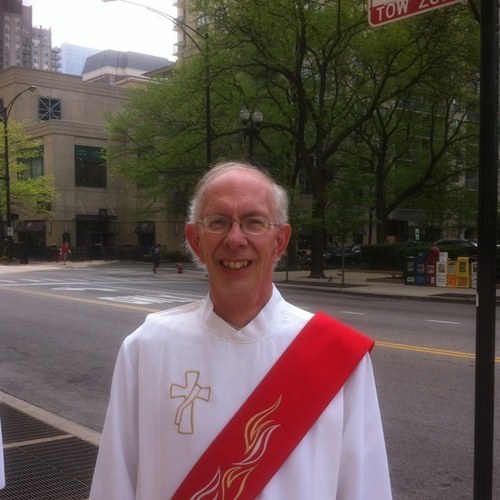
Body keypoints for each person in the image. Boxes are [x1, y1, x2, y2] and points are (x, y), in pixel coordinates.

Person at [90, 161, 392, 499]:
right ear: (196, 239)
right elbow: (115, 483)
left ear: (280, 240)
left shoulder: (337, 356)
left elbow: (364, 487)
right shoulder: (146, 348)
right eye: (218, 222)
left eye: (254, 222)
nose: (235, 239)